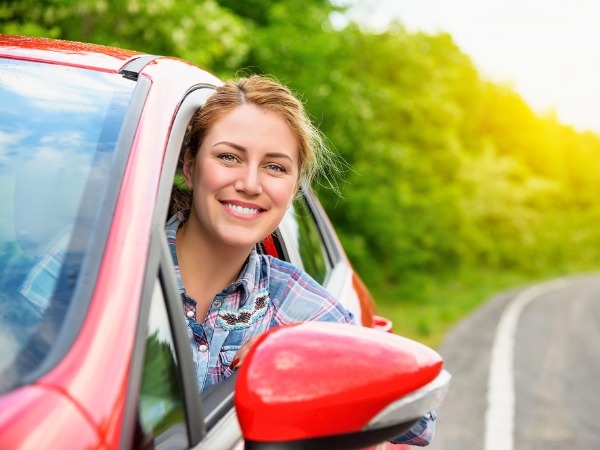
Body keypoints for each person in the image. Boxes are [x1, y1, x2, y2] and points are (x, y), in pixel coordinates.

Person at [167, 74, 436, 445]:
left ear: (293, 189)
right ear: (190, 167)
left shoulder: (302, 309)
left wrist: (309, 354)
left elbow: (418, 428)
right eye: (229, 157)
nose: (249, 183)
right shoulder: (101, 270)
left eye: (275, 167)